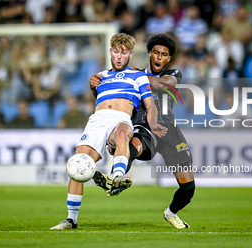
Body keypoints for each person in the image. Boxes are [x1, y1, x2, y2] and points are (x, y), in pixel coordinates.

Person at [50, 33, 167, 230]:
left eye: (123, 53)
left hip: (121, 118)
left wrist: (153, 123)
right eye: (115, 52)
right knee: (79, 163)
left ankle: (117, 177)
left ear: (130, 54)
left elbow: (150, 104)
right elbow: (100, 98)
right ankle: (71, 220)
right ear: (110, 52)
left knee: (122, 133)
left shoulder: (139, 76)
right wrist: (92, 87)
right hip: (97, 120)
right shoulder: (101, 76)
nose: (119, 56)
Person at [92, 34, 195, 229]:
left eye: (164, 54)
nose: (159, 58)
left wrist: (132, 75)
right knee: (135, 145)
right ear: (149, 53)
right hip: (145, 124)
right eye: (156, 52)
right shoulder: (134, 74)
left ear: (169, 58)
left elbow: (162, 85)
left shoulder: (173, 73)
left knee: (188, 187)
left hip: (169, 130)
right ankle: (114, 178)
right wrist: (97, 83)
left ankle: (170, 213)